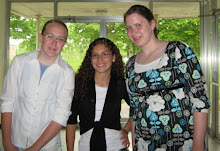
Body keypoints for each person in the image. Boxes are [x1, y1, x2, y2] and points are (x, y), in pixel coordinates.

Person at [124, 5, 211, 151]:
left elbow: (200, 101)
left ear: (152, 24)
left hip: (181, 140)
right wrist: (135, 144)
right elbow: (134, 109)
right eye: (128, 28)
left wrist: (198, 145)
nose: (133, 32)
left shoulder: (178, 51)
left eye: (138, 25)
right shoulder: (131, 64)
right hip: (145, 142)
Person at [1, 20, 75, 151]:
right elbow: (8, 101)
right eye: (50, 36)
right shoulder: (20, 62)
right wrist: (6, 142)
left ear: (64, 43)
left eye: (60, 39)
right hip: (15, 141)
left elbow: (61, 114)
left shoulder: (67, 73)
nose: (54, 43)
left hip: (47, 145)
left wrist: (33, 149)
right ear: (41, 37)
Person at [66, 38, 131, 151]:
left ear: (114, 57)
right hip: (86, 146)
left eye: (105, 54)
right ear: (90, 59)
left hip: (116, 146)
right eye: (95, 55)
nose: (100, 59)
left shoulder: (120, 84)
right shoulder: (79, 85)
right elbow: (71, 122)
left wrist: (126, 129)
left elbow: (138, 109)